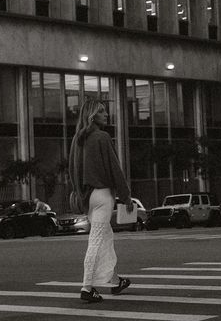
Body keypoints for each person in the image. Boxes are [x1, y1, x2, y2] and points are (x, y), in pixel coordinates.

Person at [69, 98, 134, 304]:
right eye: (102, 112)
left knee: (105, 238)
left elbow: (73, 171)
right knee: (96, 241)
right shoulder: (102, 137)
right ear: (93, 116)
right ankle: (87, 287)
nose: (107, 115)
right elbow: (115, 169)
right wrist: (126, 196)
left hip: (88, 197)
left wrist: (80, 194)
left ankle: (115, 281)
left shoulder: (77, 139)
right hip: (104, 195)